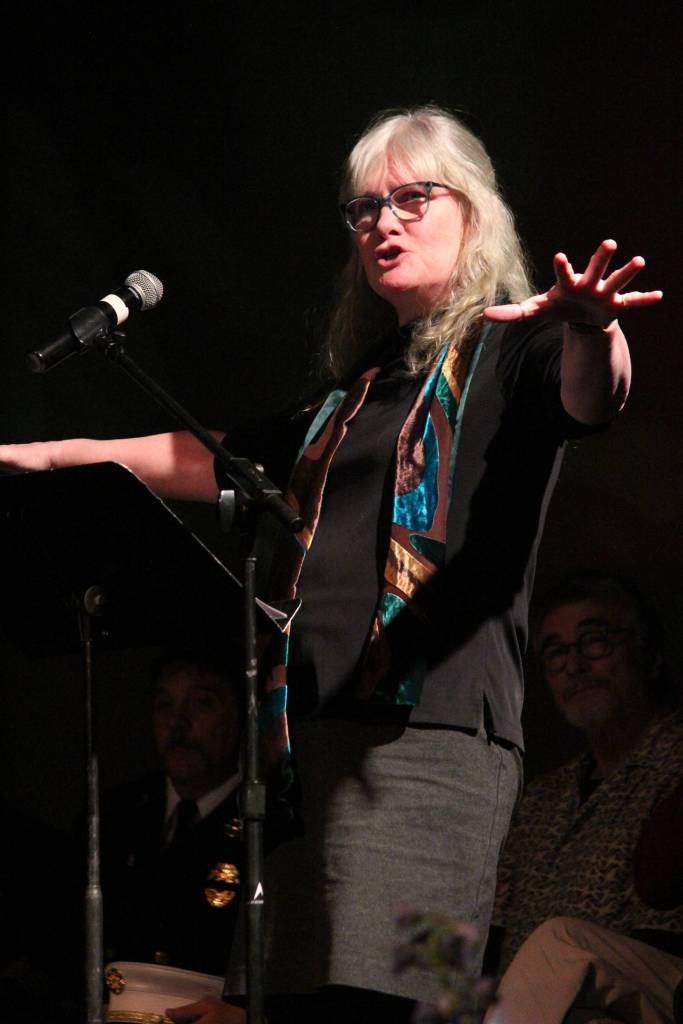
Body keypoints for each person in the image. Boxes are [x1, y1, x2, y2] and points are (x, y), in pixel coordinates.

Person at [0, 105, 663, 1023]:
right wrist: (44, 455)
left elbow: (594, 398)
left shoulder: (516, 345)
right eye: (363, 209)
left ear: (470, 211)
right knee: (288, 1002)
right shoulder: (351, 396)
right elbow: (211, 458)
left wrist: (593, 327)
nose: (381, 222)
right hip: (305, 750)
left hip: (429, 750)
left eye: (411, 198)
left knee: (412, 1000)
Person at [488, 572, 683, 1023]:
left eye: (594, 641)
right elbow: (495, 940)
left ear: (647, 653)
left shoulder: (673, 770)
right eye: (555, 652)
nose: (574, 666)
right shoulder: (538, 801)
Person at [99, 649, 245, 977]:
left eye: (202, 703)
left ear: (241, 714)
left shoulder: (264, 825)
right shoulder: (115, 815)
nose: (177, 723)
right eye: (165, 705)